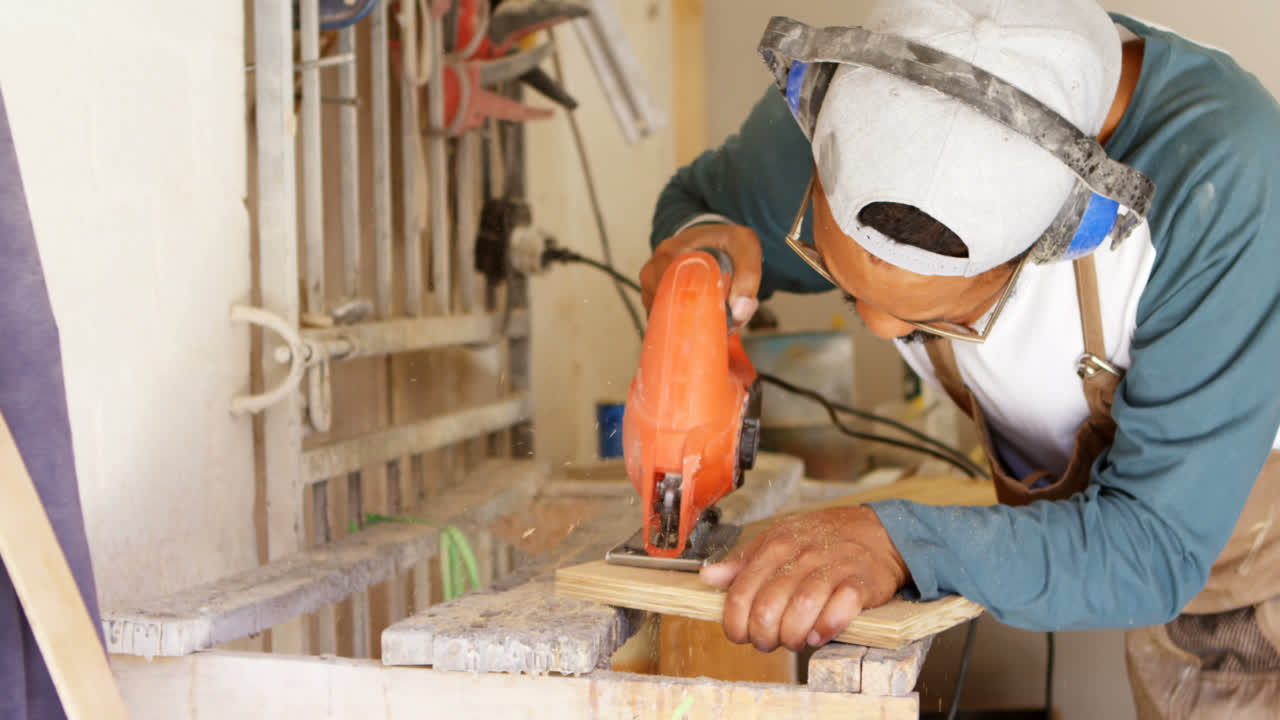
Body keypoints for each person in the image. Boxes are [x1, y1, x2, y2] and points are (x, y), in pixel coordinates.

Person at [641, 1, 1280, 716]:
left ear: (1066, 233)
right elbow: (697, 204)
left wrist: (901, 541)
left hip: (1253, 580)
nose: (882, 331)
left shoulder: (1224, 181)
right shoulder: (857, 100)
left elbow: (1153, 545)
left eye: (938, 321)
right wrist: (700, 256)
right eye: (848, 290)